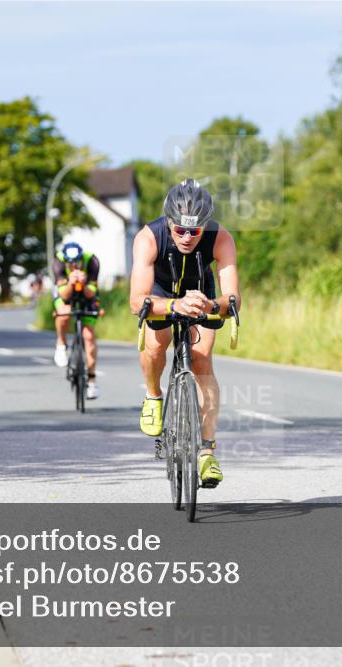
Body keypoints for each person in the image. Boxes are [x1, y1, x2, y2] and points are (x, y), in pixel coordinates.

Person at [129, 179, 240, 488]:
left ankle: (206, 450)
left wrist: (212, 304)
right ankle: (153, 394)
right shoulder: (149, 237)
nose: (188, 237)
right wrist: (176, 304)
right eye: (180, 230)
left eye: (195, 230)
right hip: (162, 293)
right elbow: (137, 301)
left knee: (202, 360)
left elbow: (233, 299)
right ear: (169, 222)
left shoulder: (221, 238)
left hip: (202, 293)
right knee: (155, 348)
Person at [52, 242, 102, 400]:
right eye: (70, 263)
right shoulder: (58, 263)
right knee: (63, 314)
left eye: (77, 262)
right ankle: (61, 345)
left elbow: (91, 294)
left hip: (87, 295)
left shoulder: (92, 262)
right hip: (65, 293)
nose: (74, 266)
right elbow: (64, 296)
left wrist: (85, 282)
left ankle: (92, 382)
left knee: (88, 336)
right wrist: (71, 282)